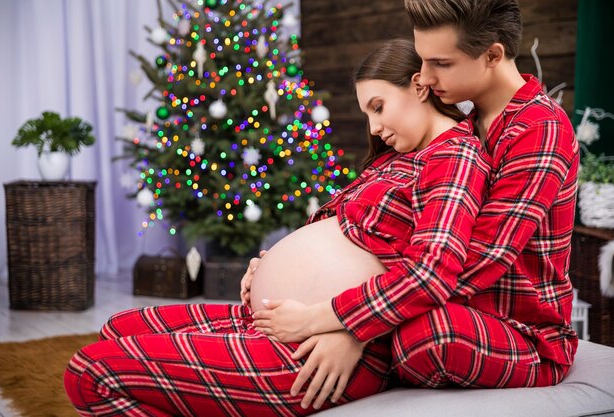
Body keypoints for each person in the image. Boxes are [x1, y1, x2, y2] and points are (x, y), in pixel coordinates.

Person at [63, 38, 491, 416]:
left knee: (90, 372)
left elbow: (431, 273)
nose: (374, 126)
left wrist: (342, 328)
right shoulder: (393, 160)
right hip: (279, 321)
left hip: (314, 349)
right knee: (117, 327)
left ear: (419, 86)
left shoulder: (453, 156)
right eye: (367, 114)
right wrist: (268, 266)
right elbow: (350, 242)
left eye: (378, 107)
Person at [248, 0, 579, 396]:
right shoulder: (466, 126)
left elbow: (471, 262)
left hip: (516, 328)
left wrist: (348, 325)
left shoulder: (539, 130)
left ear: (492, 55)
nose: (423, 75)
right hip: (442, 302)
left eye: (440, 63)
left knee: (425, 338)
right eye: (422, 60)